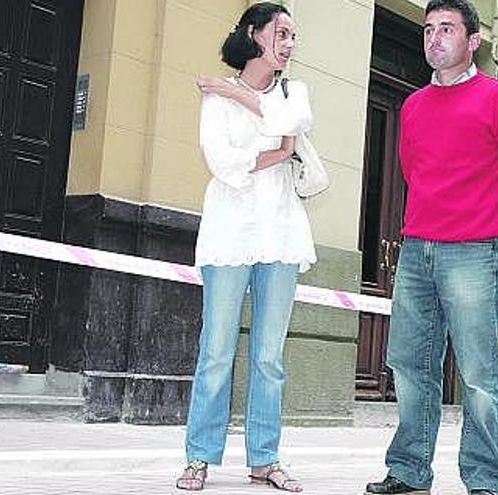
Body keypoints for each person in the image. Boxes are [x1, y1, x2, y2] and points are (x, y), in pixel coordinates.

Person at [365, 1, 498, 494]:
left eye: (447, 29)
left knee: (478, 373)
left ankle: (485, 479)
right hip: (417, 248)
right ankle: (408, 472)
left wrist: (491, 226)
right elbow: (411, 171)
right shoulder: (415, 105)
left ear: (473, 41)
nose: (434, 38)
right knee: (410, 364)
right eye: (428, 29)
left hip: (472, 251)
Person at [176, 2, 315, 491]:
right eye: (282, 32)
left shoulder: (293, 90)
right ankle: (198, 457)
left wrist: (234, 93)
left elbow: (293, 123)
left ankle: (265, 459)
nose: (290, 43)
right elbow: (223, 162)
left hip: (281, 234)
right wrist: (275, 150)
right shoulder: (214, 100)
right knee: (216, 350)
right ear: (255, 34)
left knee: (269, 357)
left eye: (294, 35)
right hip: (229, 234)